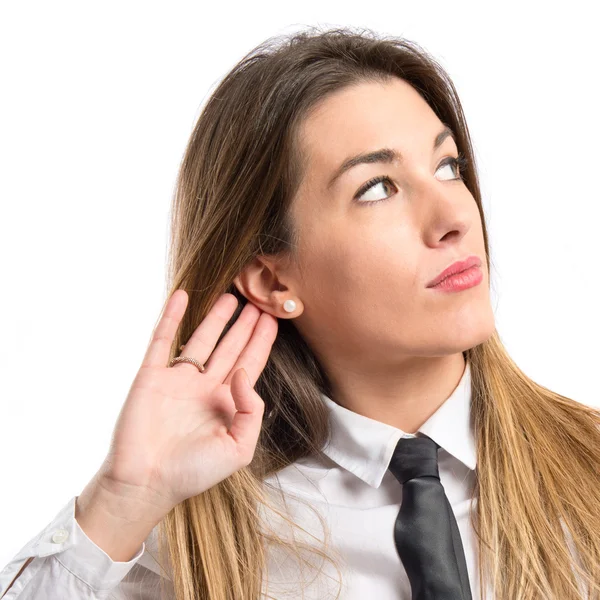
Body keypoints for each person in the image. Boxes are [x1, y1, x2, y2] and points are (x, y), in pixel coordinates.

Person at [1, 25, 599, 600]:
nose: (455, 219)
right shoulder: (201, 552)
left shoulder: (588, 470)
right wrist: (121, 500)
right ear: (271, 278)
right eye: (378, 187)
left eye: (448, 166)